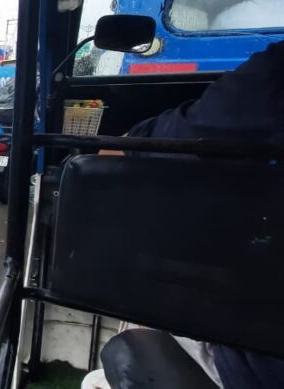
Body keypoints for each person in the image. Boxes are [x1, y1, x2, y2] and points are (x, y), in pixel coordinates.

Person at [101, 40, 284, 389]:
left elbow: (178, 136)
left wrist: (123, 145)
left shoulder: (272, 80)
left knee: (136, 332)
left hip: (261, 368)